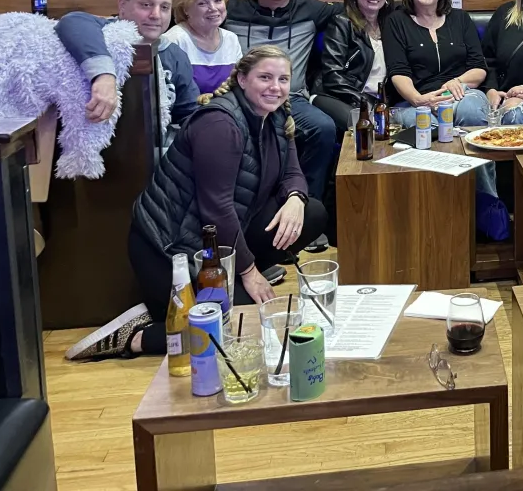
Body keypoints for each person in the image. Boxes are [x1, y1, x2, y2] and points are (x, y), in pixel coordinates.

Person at [65, 46, 328, 361]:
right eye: (265, 78)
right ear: (242, 79)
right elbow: (216, 209)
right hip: (170, 248)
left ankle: (211, 292)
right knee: (239, 327)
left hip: (215, 242)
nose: (275, 87)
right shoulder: (219, 123)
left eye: (283, 79)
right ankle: (136, 336)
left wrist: (296, 198)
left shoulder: (276, 115)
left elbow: (293, 172)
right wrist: (249, 272)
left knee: (311, 212)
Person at [223, 0, 340, 250]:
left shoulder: (310, 10)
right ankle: (250, 226)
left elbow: (357, 6)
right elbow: (189, 12)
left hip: (291, 99)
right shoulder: (230, 11)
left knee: (324, 127)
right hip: (243, 100)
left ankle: (307, 212)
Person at [56, 0, 199, 135]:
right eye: (146, 5)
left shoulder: (175, 54)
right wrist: (104, 76)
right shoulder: (102, 34)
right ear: (122, 5)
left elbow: (189, 114)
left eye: (164, 7)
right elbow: (72, 20)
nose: (156, 15)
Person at [382, 0, 489, 127]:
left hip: (461, 94)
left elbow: (479, 68)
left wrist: (457, 81)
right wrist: (419, 100)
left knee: (471, 112)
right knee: (424, 125)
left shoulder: (461, 18)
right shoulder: (396, 21)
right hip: (413, 100)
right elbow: (398, 72)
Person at [314, 0, 393, 140]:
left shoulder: (390, 25)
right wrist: (364, 100)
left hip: (377, 101)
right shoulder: (342, 23)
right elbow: (333, 75)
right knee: (367, 128)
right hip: (337, 97)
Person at [161, 0, 242, 95]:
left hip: (225, 106)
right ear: (186, 9)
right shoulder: (174, 40)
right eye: (202, 3)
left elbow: (239, 84)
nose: (213, 8)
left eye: (218, 0)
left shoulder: (231, 38)